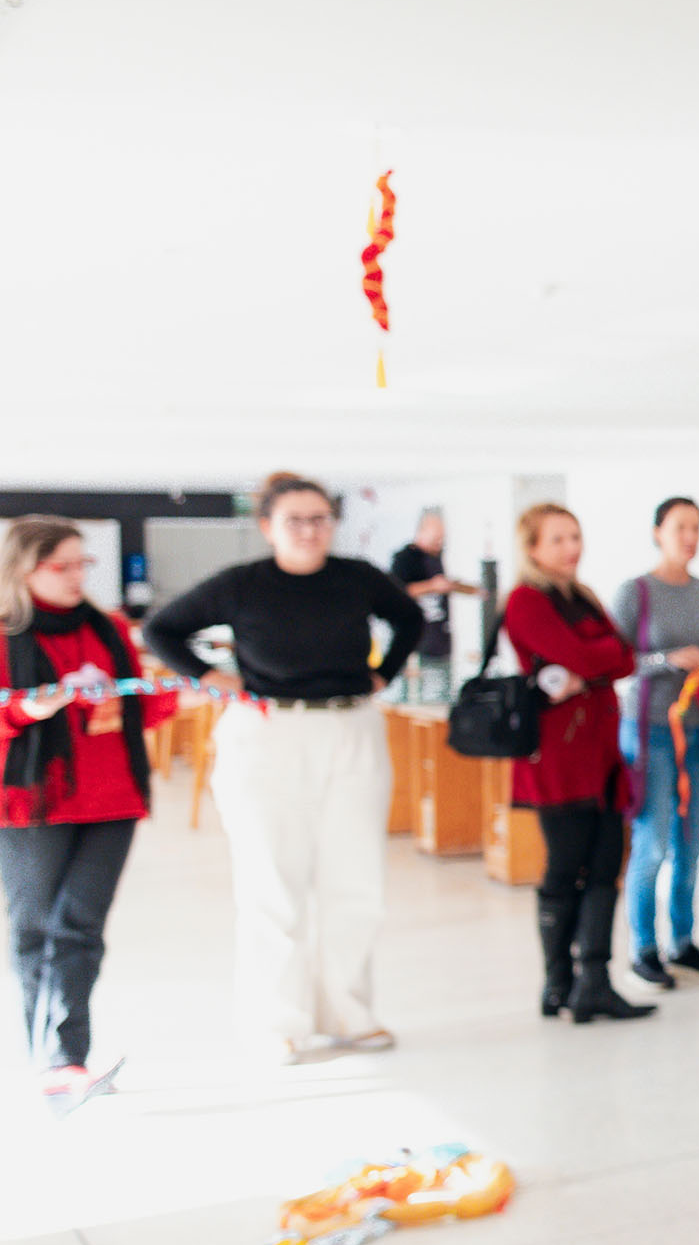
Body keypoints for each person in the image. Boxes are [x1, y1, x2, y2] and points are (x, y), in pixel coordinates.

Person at [147, 472, 424, 1062]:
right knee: (273, 882)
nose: (309, 531)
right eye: (295, 520)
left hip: (351, 726)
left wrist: (386, 673)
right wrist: (212, 677)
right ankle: (279, 1020)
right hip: (266, 731)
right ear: (268, 526)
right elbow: (161, 629)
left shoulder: (357, 577)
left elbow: (410, 618)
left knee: (357, 879)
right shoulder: (241, 584)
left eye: (320, 518)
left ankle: (349, 1010)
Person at [1, 517, 178, 1110]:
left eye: (84, 564)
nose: (79, 576)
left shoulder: (110, 630)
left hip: (112, 799)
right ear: (24, 570)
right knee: (35, 932)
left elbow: (137, 710)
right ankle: (53, 1062)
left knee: (79, 927)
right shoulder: (3, 638)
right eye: (64, 566)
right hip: (31, 806)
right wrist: (28, 710)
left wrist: (182, 694)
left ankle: (63, 1060)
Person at [502, 504, 651, 1024]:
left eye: (576, 536)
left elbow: (625, 657)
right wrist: (594, 659)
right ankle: (557, 982)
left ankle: (595, 982)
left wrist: (591, 662)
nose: (572, 547)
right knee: (565, 868)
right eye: (559, 539)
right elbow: (595, 659)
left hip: (602, 755)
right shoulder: (524, 600)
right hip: (558, 759)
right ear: (534, 548)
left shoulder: (582, 596)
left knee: (607, 865)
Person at [611, 497, 699, 985]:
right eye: (680, 527)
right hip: (650, 729)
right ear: (658, 531)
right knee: (653, 841)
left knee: (690, 842)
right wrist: (666, 661)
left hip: (698, 729)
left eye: (696, 528)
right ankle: (644, 947)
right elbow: (614, 664)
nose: (689, 537)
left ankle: (682, 942)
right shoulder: (635, 592)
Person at [386, 508, 478, 703]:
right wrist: (431, 586)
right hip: (415, 644)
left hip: (439, 642)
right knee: (412, 698)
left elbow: (444, 585)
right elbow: (397, 591)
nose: (439, 542)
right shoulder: (404, 558)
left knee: (440, 696)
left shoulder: (436, 557)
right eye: (436, 536)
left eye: (442, 537)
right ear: (422, 530)